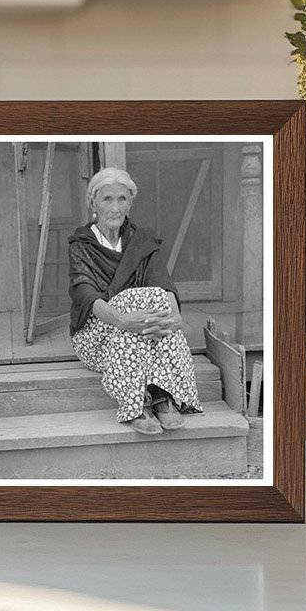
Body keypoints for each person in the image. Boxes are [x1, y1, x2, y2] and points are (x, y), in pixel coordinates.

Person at [68, 167, 202, 434]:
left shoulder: (142, 240)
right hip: (100, 340)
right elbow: (85, 294)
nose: (115, 207)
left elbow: (164, 287)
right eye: (107, 199)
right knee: (134, 297)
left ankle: (160, 395)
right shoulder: (81, 243)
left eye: (122, 199)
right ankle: (137, 403)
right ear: (93, 203)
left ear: (130, 203)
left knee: (155, 296)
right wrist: (122, 321)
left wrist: (172, 321)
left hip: (147, 332)